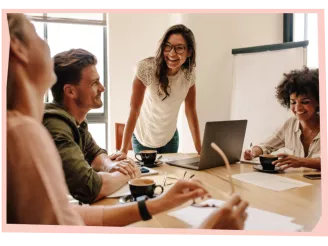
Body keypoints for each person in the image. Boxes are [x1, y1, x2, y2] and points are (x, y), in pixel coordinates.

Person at [6, 13, 249, 229]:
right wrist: (208, 229)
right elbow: (90, 189)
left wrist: (158, 203)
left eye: (180, 49)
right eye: (35, 33)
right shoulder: (25, 130)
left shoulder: (66, 123)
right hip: (144, 138)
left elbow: (68, 213)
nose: (102, 88)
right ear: (17, 47)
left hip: (167, 136)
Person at [41, 48, 140, 205]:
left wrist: (111, 165)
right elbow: (89, 188)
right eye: (94, 83)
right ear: (70, 91)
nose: (102, 88)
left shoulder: (75, 122)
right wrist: (128, 174)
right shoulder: (56, 125)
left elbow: (94, 153)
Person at [109, 24, 202, 161]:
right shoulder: (147, 68)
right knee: (148, 178)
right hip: (144, 138)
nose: (171, 53)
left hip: (170, 137)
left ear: (189, 52)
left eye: (179, 48)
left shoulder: (189, 73)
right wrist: (123, 149)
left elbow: (190, 110)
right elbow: (134, 109)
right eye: (168, 46)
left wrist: (200, 148)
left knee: (169, 178)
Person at [243, 66, 320, 170]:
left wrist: (302, 162)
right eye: (293, 102)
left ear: (319, 101)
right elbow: (266, 146)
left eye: (305, 102)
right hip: (299, 183)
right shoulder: (290, 124)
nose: (297, 108)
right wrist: (253, 152)